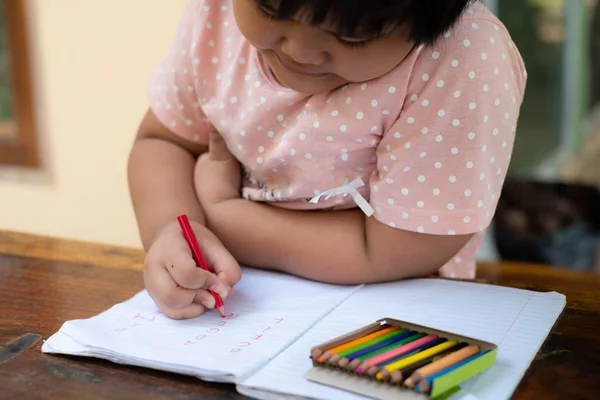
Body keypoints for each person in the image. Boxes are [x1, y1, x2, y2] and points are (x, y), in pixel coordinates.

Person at [128, 0, 527, 319]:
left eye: (353, 35)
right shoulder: (217, 12)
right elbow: (163, 141)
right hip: (239, 308)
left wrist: (222, 215)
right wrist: (171, 230)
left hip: (392, 315)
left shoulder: (460, 56)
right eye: (271, 7)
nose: (298, 50)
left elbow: (399, 248)